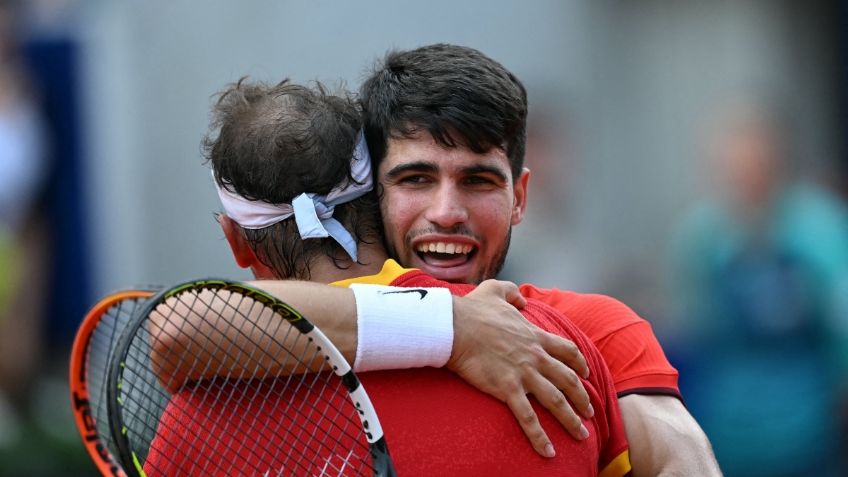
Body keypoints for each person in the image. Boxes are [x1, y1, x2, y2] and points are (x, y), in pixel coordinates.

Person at [146, 78, 630, 476]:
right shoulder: (552, 347)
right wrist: (450, 329)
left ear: (236, 240)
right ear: (378, 199)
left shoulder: (195, 421)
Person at [667, 100, 848, 476]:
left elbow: (840, 330)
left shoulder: (820, 230)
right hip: (729, 425)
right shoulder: (703, 235)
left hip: (809, 426)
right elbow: (696, 333)